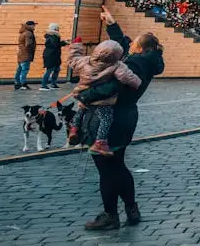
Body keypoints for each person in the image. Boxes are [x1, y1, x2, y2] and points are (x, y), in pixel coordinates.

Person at [79, 30, 165, 230]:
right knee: (117, 165)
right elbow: (122, 47)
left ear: (141, 48)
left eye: (134, 43)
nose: (130, 45)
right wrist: (112, 25)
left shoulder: (136, 64)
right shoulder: (148, 61)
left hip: (110, 117)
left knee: (106, 168)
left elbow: (114, 87)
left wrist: (86, 95)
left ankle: (110, 214)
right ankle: (131, 208)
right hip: (125, 116)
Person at [59, 31, 143, 156]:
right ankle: (100, 143)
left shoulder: (85, 61)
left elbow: (72, 60)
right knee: (106, 118)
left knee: (81, 110)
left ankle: (74, 129)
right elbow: (127, 77)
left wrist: (76, 46)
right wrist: (137, 83)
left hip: (83, 94)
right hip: (101, 100)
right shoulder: (116, 65)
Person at [40, 23, 64, 90]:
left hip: (54, 55)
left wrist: (62, 43)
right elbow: (55, 45)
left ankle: (53, 84)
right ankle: (43, 85)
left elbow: (56, 44)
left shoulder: (53, 36)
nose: (58, 29)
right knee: (49, 70)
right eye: (57, 28)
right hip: (51, 55)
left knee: (57, 69)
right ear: (54, 28)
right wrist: (63, 43)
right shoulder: (52, 36)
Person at [14, 20, 36, 90]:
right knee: (24, 70)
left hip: (21, 54)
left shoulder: (23, 32)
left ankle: (17, 83)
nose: (34, 27)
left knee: (19, 69)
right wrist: (30, 52)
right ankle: (22, 84)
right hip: (26, 54)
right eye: (33, 25)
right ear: (30, 26)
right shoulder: (28, 33)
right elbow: (28, 44)